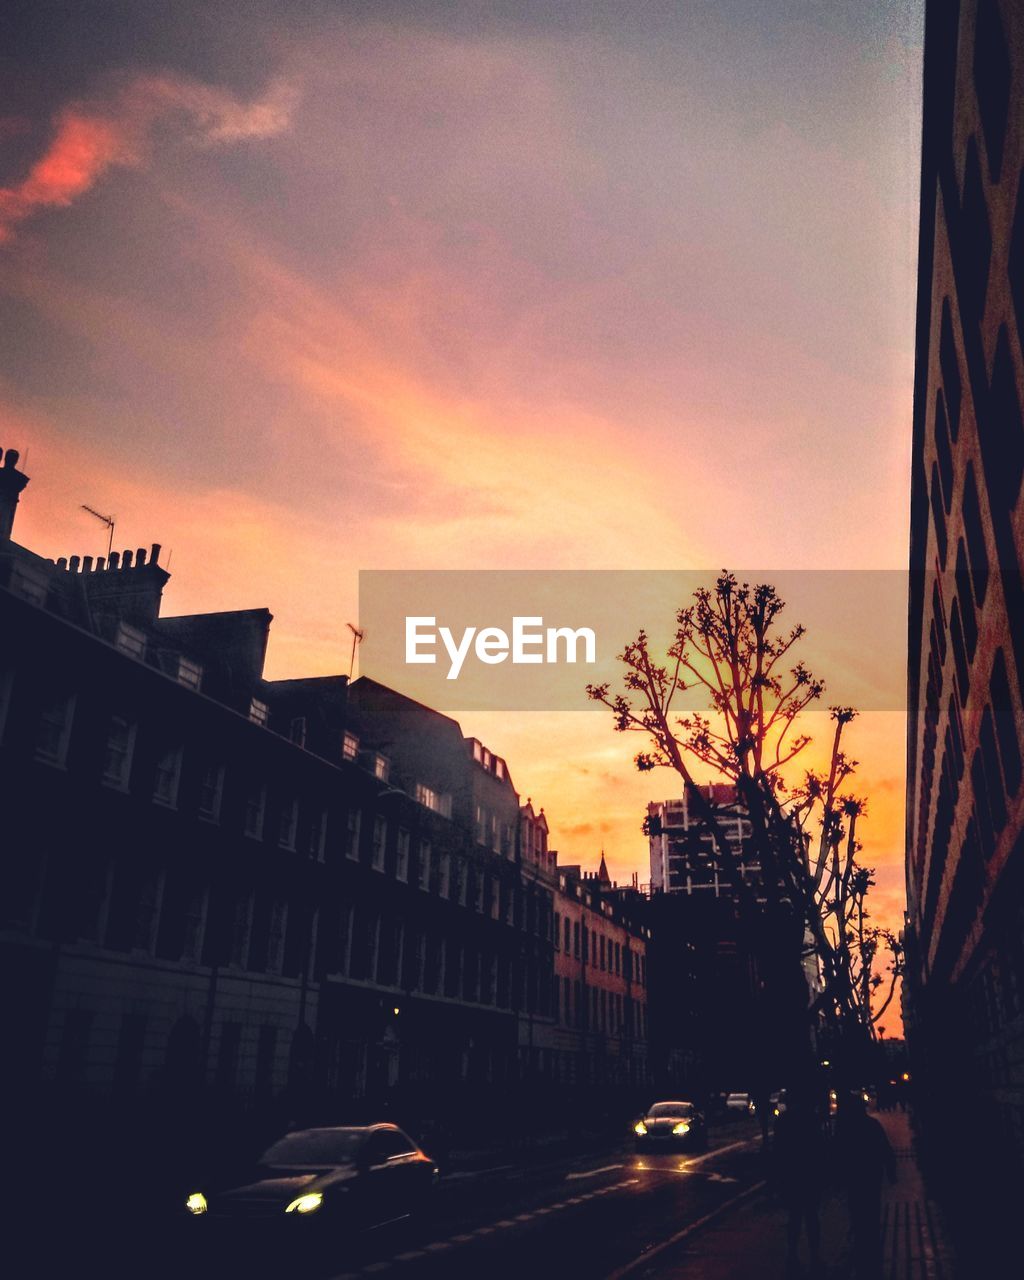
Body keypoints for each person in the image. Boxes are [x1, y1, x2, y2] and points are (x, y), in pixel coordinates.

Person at [835, 1093, 897, 1278]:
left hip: (855, 1179)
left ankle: (862, 1248)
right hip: (871, 1177)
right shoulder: (872, 1125)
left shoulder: (846, 1129)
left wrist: (839, 1177)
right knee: (871, 1213)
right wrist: (891, 1171)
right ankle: (871, 1250)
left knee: (858, 1213)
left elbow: (838, 1154)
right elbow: (885, 1148)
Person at [772, 1091, 827, 1277]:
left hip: (792, 1176)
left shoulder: (783, 1121)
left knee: (795, 1218)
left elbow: (778, 1152)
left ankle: (793, 1255)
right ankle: (814, 1255)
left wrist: (778, 1180)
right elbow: (819, 1149)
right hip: (809, 1175)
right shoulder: (811, 1119)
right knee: (811, 1217)